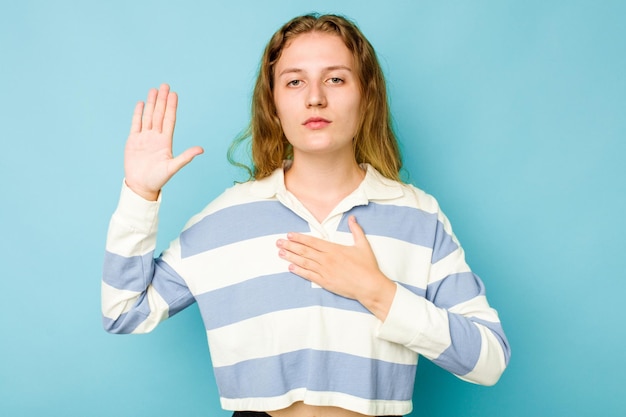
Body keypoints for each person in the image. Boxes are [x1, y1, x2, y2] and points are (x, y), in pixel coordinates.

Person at [102, 13, 510, 417]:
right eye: (295, 81)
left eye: (335, 78)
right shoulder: (227, 218)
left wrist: (378, 292)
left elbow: (489, 360)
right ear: (273, 106)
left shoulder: (417, 216)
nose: (315, 97)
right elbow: (124, 311)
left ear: (366, 96)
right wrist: (141, 193)